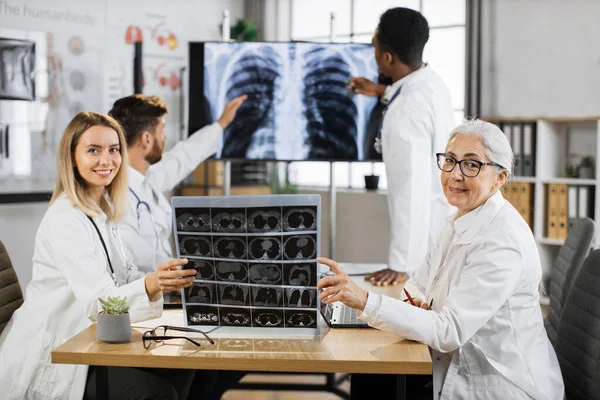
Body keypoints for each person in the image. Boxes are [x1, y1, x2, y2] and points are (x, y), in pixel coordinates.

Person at [317, 119, 564, 399]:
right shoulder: (461, 219)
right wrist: (419, 304)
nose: (454, 174)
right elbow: (417, 283)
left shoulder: (501, 241)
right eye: (450, 160)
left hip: (499, 385)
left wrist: (364, 300)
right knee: (371, 376)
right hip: (454, 364)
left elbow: (449, 331)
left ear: (500, 178)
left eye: (472, 164)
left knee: (375, 379)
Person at [0, 112, 224, 399]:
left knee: (190, 362)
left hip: (94, 339)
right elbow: (99, 302)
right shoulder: (66, 218)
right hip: (60, 351)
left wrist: (166, 278)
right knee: (156, 392)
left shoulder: (102, 209)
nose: (107, 160)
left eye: (113, 149)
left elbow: (123, 274)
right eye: (93, 150)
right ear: (72, 157)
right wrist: (152, 284)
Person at [348, 8, 454, 286]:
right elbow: (412, 96)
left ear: (387, 57)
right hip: (438, 231)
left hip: (420, 253)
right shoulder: (432, 84)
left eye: (374, 44)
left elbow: (411, 188)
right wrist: (382, 90)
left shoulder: (405, 110)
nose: (372, 49)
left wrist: (400, 264)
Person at [108, 94, 246, 273]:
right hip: (147, 292)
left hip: (165, 288)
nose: (164, 137)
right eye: (161, 129)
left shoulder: (148, 178)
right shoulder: (117, 195)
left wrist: (221, 123)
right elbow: (136, 260)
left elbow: (184, 156)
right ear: (146, 139)